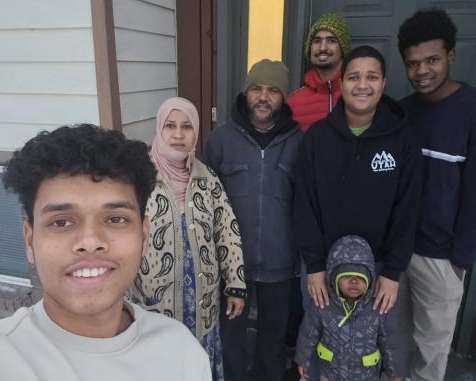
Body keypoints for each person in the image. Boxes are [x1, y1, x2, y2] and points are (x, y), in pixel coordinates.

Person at [0, 124, 212, 381]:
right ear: (30, 240)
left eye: (115, 219)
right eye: (61, 222)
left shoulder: (181, 352)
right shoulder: (9, 359)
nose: (90, 242)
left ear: (144, 236)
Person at [294, 46, 422, 380]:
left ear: (384, 83)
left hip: (379, 271)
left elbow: (407, 208)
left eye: (371, 77)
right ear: (342, 81)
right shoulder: (317, 138)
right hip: (324, 271)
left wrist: (393, 272)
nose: (362, 85)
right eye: (353, 76)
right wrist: (315, 266)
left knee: (372, 348)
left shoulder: (403, 139)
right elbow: (304, 204)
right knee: (323, 344)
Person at [128, 97, 246, 381]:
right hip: (152, 305)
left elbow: (227, 232)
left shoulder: (208, 179)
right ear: (159, 128)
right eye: (170, 126)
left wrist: (235, 284)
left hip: (202, 305)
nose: (178, 135)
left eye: (187, 127)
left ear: (196, 132)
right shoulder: (137, 179)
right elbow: (122, 237)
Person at [204, 59, 303, 381]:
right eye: (256, 89)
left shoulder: (299, 143)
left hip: (281, 261)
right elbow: (206, 200)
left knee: (272, 340)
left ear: (283, 97)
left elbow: (307, 203)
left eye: (273, 90)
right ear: (245, 93)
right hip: (233, 265)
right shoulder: (221, 140)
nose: (263, 97)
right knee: (231, 338)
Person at [398, 9, 476, 381]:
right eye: (413, 64)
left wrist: (460, 259)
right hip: (396, 253)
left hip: (441, 259)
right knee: (392, 343)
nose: (422, 71)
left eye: (431, 60)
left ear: (451, 56)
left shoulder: (471, 111)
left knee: (431, 353)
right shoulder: (401, 113)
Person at [295, 235, 397, 381]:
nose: (354, 282)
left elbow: (389, 342)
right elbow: (307, 334)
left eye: (360, 278)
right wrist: (303, 360)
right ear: (334, 277)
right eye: (347, 276)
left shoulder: (377, 310)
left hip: (366, 376)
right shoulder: (323, 306)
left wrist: (394, 371)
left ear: (370, 279)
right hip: (330, 374)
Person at [288, 12, 351, 131]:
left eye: (331, 41)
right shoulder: (294, 101)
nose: (323, 48)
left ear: (343, 49)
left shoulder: (358, 94)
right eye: (317, 41)